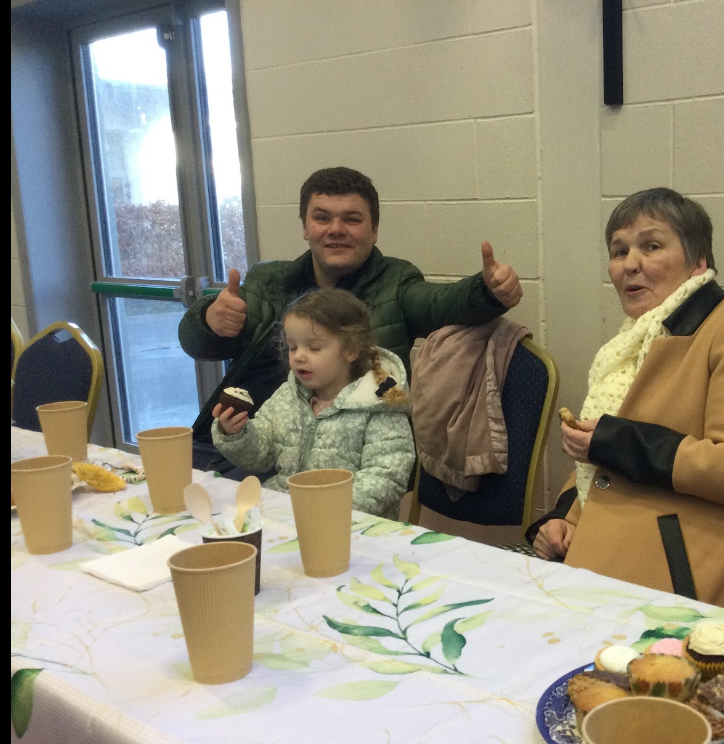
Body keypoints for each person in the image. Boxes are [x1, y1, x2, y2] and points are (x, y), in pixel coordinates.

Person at [523, 188, 724, 617]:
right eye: (619, 251)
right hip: (604, 565)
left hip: (680, 592)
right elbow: (599, 466)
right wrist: (561, 518)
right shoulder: (632, 342)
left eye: (651, 246)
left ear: (698, 261)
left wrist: (615, 441)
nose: (629, 264)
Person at [179, 166, 523, 477]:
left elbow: (442, 303)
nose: (336, 230)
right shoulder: (269, 282)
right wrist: (209, 320)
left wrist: (488, 291)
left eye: (352, 219)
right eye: (322, 218)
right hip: (235, 436)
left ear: (374, 230)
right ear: (305, 227)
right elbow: (198, 344)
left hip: (323, 460)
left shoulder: (395, 282)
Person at [209, 289, 414, 518]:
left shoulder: (378, 404)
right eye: (293, 347)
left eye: (314, 347)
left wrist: (327, 507)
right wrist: (236, 433)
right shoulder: (287, 396)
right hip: (285, 511)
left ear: (351, 350)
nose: (298, 356)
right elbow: (261, 456)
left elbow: (387, 476)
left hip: (350, 524)